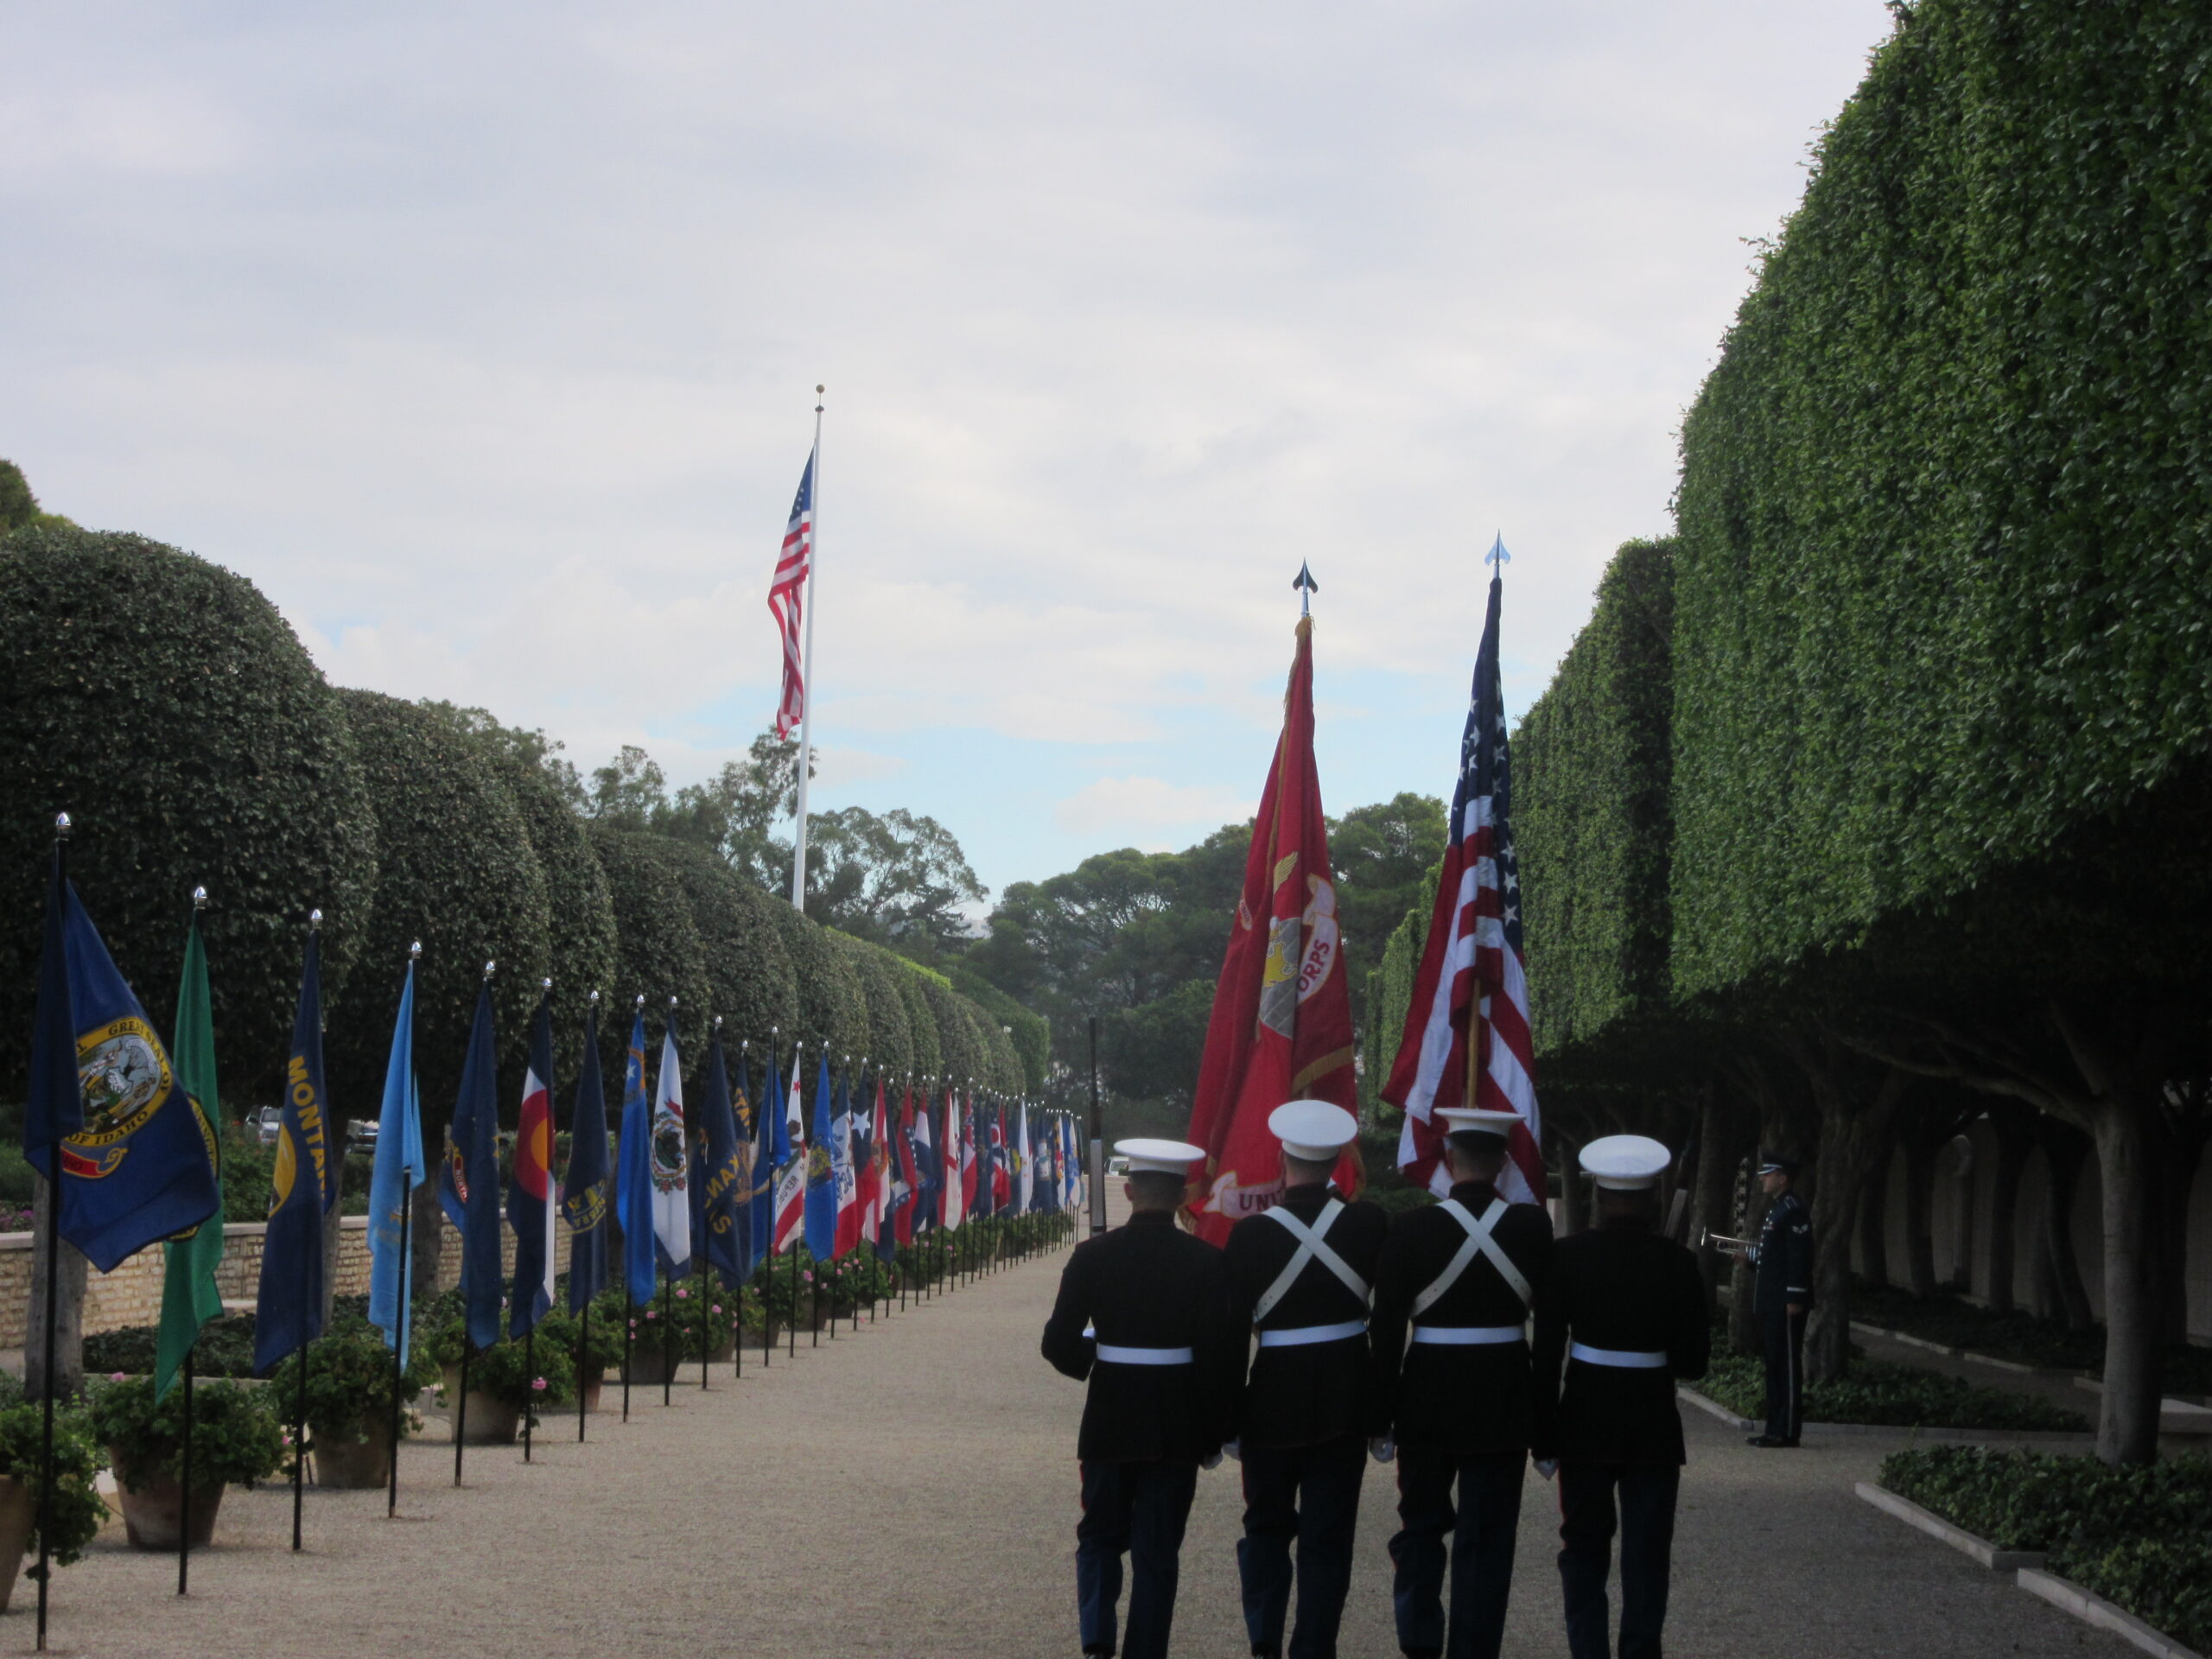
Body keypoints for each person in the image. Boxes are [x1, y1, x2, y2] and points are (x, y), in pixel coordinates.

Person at [1370, 1106, 1554, 1659]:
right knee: (1488, 1538)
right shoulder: (1531, 1227)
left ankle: (1419, 1641)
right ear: (1502, 1163)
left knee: (1421, 1527)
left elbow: (1386, 1329)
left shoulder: (1411, 1228)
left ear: (1450, 1159)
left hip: (1426, 1396)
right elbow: (1550, 1333)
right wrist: (1546, 1426)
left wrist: (1380, 1415)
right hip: (1503, 1397)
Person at [1042, 1137, 1236, 1659]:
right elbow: (1218, 1357)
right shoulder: (1207, 1262)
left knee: (1099, 1539)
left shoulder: (1092, 1257)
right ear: (1182, 1196)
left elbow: (1057, 1343)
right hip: (1176, 1423)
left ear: (1128, 1191)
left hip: (1110, 1416)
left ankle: (1096, 1642)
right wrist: (1215, 1431)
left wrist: (1097, 1357)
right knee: (1157, 1553)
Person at [1530, 1134, 1711, 1659]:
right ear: (1652, 1197)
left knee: (1584, 1547)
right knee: (1647, 1553)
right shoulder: (1678, 1263)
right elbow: (1694, 1363)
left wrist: (1543, 1435)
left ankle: (1588, 1650)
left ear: (1599, 1195)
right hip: (1652, 1423)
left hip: (1584, 1417)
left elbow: (1546, 1355)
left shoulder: (1567, 1257)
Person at [1224, 1099, 1391, 1659]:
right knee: (1328, 1538)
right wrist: (1382, 1410)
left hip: (1272, 1400)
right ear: (1339, 1160)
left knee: (1265, 1528)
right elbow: (1388, 1321)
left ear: (1281, 1158)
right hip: (1346, 1400)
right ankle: (1314, 1648)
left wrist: (1228, 1416)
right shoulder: (1368, 1224)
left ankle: (1264, 1641)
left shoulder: (1251, 1236)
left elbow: (1231, 1337)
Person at [1740, 1151, 1810, 1448]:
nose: (1763, 1180)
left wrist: (1795, 1296)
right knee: (1775, 1366)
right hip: (1772, 1300)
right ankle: (1774, 1428)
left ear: (1782, 1178)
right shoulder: (1778, 1209)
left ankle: (1787, 1431)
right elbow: (1774, 1258)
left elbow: (1799, 1257)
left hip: (1785, 1301)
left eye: (1767, 1175)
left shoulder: (1792, 1209)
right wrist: (1750, 1259)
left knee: (1786, 1367)